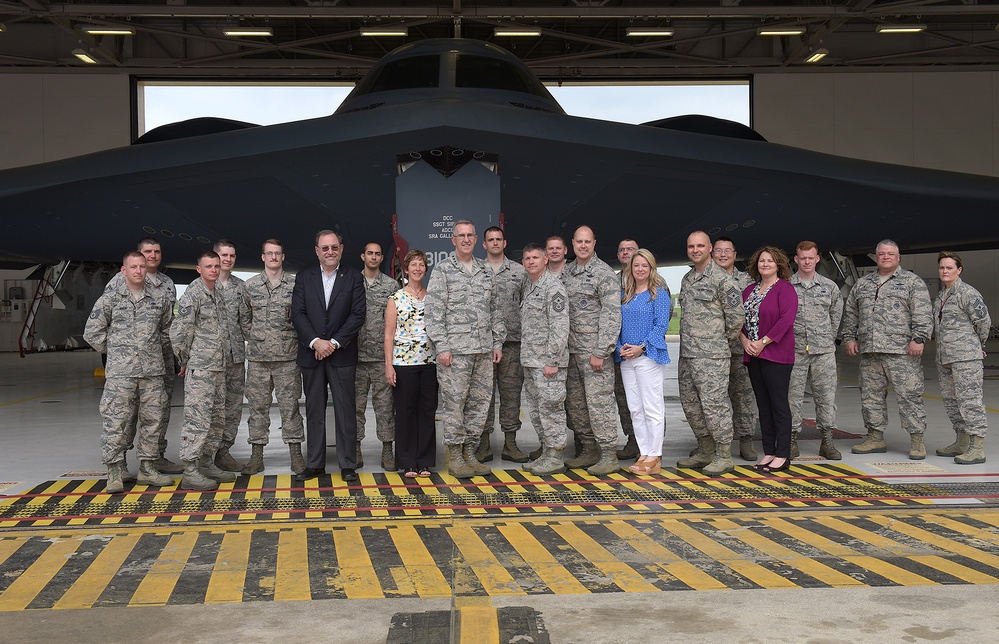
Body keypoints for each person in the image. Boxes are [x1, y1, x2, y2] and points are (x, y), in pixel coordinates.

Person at [84, 251, 176, 493]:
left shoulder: (159, 298)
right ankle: (115, 471)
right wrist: (117, 351)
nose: (138, 271)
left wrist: (153, 349)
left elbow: (168, 330)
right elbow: (92, 332)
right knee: (116, 420)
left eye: (142, 267)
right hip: (121, 374)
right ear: (123, 270)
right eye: (133, 267)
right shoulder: (110, 299)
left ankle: (147, 467)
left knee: (152, 420)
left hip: (152, 371)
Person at [426, 220, 505, 479]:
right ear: (453, 240)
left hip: (482, 351)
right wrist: (442, 346)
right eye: (461, 235)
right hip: (455, 353)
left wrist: (497, 342)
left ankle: (470, 451)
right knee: (454, 405)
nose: (466, 239)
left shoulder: (485, 270)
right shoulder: (443, 270)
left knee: (479, 405)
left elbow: (495, 310)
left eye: (470, 235)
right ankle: (456, 455)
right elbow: (434, 312)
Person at [841, 240, 933, 459]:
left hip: (902, 352)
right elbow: (851, 313)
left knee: (909, 396)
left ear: (898, 257)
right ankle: (875, 437)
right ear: (876, 256)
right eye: (881, 254)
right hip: (870, 352)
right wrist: (848, 338)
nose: (885, 257)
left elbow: (923, 313)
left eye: (890, 254)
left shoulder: (912, 282)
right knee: (871, 396)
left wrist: (918, 338)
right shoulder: (863, 284)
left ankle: (917, 441)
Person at [291, 230, 366, 482]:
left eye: (334, 247)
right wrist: (315, 342)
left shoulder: (354, 277)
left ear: (341, 249)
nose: (330, 252)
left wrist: (333, 343)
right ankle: (315, 464)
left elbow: (357, 314)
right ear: (317, 251)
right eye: (325, 248)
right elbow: (298, 313)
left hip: (341, 353)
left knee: (346, 410)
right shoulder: (304, 277)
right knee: (314, 410)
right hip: (312, 354)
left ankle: (347, 464)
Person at [104, 237, 181, 476]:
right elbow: (104, 322)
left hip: (160, 361)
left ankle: (155, 456)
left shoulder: (167, 284)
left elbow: (168, 322)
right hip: (127, 363)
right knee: (126, 412)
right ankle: (122, 461)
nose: (153, 256)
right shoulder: (120, 282)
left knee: (158, 411)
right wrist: (119, 350)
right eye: (147, 251)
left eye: (157, 251)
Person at [676, 231, 744, 475]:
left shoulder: (722, 279)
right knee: (691, 405)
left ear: (710, 248)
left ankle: (723, 454)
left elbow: (736, 318)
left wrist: (717, 342)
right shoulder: (687, 278)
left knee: (715, 405)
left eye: (700, 246)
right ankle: (705, 449)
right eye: (691, 246)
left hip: (712, 357)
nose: (695, 250)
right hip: (688, 356)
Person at [170, 251, 238, 491]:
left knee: (216, 418)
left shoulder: (217, 292)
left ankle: (207, 463)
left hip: (218, 368)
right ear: (199, 269)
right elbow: (179, 332)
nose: (214, 270)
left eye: (217, 266)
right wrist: (185, 360)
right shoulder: (193, 294)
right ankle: (190, 469)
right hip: (201, 369)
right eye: (209, 266)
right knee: (196, 419)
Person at [239, 239, 306, 475]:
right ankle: (256, 456)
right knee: (257, 408)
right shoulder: (251, 286)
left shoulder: (296, 285)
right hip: (258, 360)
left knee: (290, 408)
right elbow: (244, 319)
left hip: (288, 358)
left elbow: (301, 317)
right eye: (270, 254)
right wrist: (259, 337)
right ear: (263, 257)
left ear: (283, 257)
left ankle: (296, 455)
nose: (274, 257)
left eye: (278, 253)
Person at [563, 225, 622, 475]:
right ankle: (589, 449)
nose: (583, 246)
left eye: (588, 242)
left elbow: (611, 315)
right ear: (573, 244)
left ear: (594, 243)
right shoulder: (566, 272)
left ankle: (609, 453)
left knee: (600, 405)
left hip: (594, 354)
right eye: (579, 242)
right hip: (570, 352)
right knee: (577, 405)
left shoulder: (604, 273)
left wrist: (601, 350)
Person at [740, 246, 799, 473]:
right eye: (762, 261)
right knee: (763, 406)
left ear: (779, 265)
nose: (765, 264)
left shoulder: (785, 289)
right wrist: (745, 342)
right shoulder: (749, 291)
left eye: (770, 261)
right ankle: (770, 451)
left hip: (776, 355)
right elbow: (739, 321)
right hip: (753, 354)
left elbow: (786, 320)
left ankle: (783, 454)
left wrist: (763, 342)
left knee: (779, 405)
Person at [615, 248, 671, 475]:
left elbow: (661, 326)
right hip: (627, 357)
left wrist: (642, 347)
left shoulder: (658, 294)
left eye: (644, 266)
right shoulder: (625, 293)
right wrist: (621, 348)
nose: (640, 269)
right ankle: (644, 452)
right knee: (635, 409)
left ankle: (655, 455)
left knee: (652, 407)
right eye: (636, 265)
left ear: (651, 268)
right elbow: (617, 324)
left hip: (648, 356)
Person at [477, 226, 529, 463]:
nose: (495, 243)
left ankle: (510, 443)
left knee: (511, 396)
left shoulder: (519, 271)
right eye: (491, 240)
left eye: (499, 239)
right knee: (483, 396)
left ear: (504, 243)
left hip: (513, 343)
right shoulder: (476, 271)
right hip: (483, 344)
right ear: (484, 244)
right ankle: (484, 444)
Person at [934, 251, 991, 464]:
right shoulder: (941, 296)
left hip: (966, 358)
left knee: (970, 401)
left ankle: (977, 448)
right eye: (942, 267)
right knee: (952, 402)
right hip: (945, 358)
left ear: (959, 270)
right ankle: (962, 441)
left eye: (949, 267)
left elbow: (983, 322)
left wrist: (977, 345)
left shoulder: (968, 293)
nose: (945, 271)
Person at [384, 250, 438, 477]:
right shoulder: (395, 299)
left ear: (426, 269)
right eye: (413, 265)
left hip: (429, 362)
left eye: (421, 265)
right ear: (406, 270)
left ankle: (424, 460)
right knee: (405, 412)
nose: (417, 269)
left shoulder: (433, 296)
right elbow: (388, 334)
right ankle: (407, 461)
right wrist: (389, 366)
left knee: (427, 410)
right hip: (403, 364)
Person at [788, 241, 844, 460]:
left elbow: (836, 316)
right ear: (796, 259)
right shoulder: (787, 285)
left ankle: (827, 440)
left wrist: (826, 340)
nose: (807, 262)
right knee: (792, 397)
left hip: (823, 352)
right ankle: (791, 438)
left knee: (826, 397)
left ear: (817, 259)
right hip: (794, 350)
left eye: (811, 258)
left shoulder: (829, 287)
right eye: (803, 258)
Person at [520, 243, 570, 476]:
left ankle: (556, 455)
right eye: (527, 258)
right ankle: (546, 452)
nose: (531, 261)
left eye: (535, 258)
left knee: (551, 409)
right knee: (537, 410)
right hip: (531, 361)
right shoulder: (530, 286)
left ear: (545, 261)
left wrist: (553, 360)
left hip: (548, 363)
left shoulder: (553, 287)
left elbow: (560, 327)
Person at [713, 237, 759, 461]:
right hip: (711, 351)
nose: (723, 255)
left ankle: (746, 440)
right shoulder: (704, 278)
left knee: (743, 396)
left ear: (735, 253)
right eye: (719, 251)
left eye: (727, 251)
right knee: (713, 398)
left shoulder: (747, 281)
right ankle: (712, 444)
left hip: (740, 349)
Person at [356, 242, 400, 471]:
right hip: (356, 358)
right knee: (356, 408)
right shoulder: (351, 282)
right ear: (363, 256)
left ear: (382, 258)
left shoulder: (391, 286)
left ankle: (387, 450)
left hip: (381, 357)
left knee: (385, 407)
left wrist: (390, 360)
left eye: (377, 254)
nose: (373, 257)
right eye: (369, 253)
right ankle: (355, 449)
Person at [212, 239, 247, 473]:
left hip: (235, 359)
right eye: (223, 255)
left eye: (232, 256)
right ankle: (207, 453)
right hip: (210, 360)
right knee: (211, 407)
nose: (228, 259)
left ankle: (224, 451)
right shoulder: (203, 285)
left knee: (232, 407)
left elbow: (246, 321)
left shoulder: (240, 287)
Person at [613, 239, 639, 460]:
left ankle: (650, 445)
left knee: (647, 400)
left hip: (642, 351)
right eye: (622, 250)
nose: (625, 253)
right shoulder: (614, 281)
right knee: (625, 399)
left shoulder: (651, 280)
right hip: (620, 350)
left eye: (630, 249)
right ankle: (633, 440)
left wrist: (642, 345)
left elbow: (662, 316)